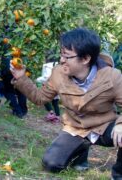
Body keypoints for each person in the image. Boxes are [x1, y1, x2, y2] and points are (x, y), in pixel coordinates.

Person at [10, 28, 122, 179]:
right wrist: (21, 78)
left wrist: (120, 125)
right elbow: (40, 98)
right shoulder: (59, 73)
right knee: (51, 163)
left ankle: (119, 174)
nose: (62, 60)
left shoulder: (112, 76)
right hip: (76, 127)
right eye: (62, 54)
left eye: (67, 56)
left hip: (103, 125)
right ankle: (79, 156)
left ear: (85, 59)